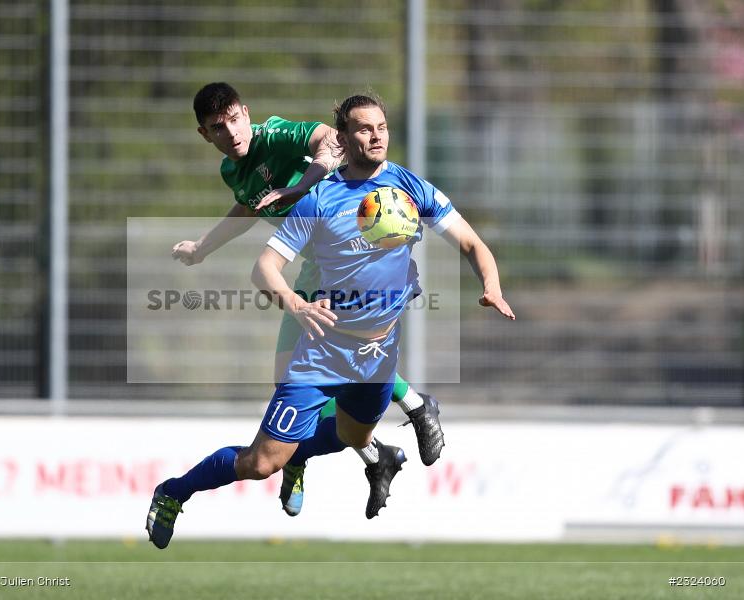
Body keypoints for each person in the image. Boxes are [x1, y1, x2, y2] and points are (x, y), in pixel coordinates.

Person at [146, 93, 515, 549]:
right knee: (261, 463)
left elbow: (471, 243)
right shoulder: (319, 200)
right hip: (322, 351)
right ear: (345, 137)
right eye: (364, 128)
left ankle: (383, 442)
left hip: (379, 354)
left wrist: (492, 286)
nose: (376, 135)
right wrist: (295, 305)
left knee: (349, 436)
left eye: (381, 127)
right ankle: (173, 492)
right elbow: (263, 267)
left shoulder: (411, 188)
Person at [172, 83, 445, 517]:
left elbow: (327, 143)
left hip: (343, 255)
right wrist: (202, 247)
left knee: (330, 360)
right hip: (313, 266)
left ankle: (411, 406)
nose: (232, 133)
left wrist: (300, 188)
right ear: (205, 134)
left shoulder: (276, 134)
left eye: (235, 120)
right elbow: (248, 209)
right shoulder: (233, 170)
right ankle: (376, 456)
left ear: (247, 112)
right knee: (292, 377)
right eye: (217, 128)